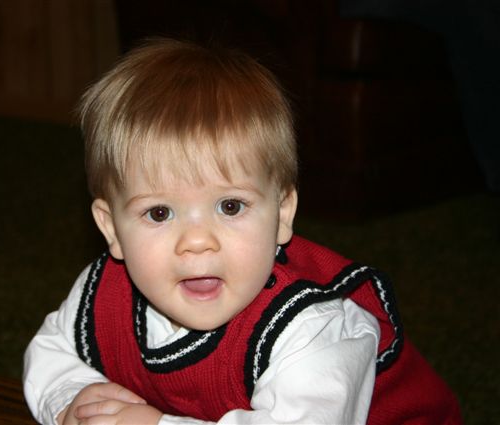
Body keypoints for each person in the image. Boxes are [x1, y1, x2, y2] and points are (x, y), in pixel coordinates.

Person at [23, 38, 461, 424]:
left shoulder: (311, 327)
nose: (197, 241)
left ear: (283, 213)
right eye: (159, 213)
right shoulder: (103, 293)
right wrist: (73, 399)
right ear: (111, 228)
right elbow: (50, 350)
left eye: (230, 206)